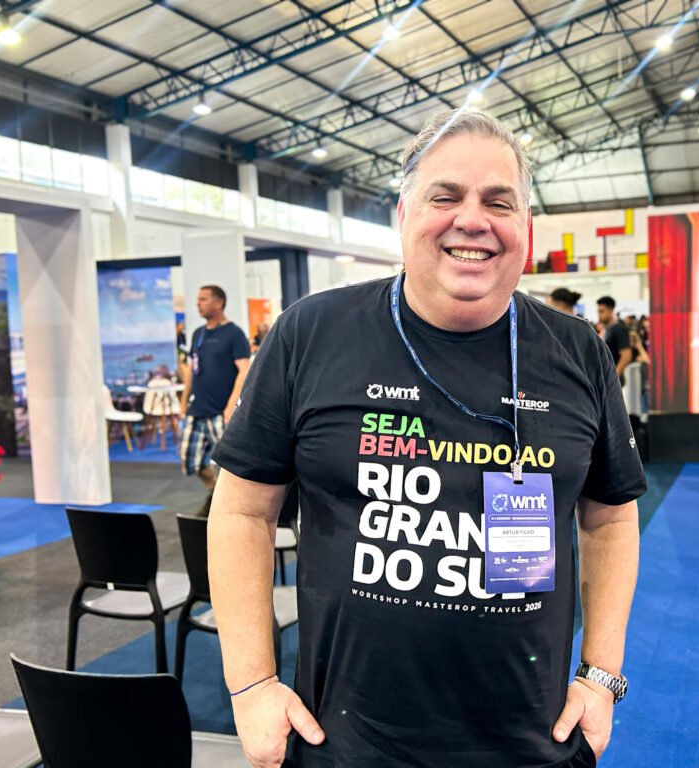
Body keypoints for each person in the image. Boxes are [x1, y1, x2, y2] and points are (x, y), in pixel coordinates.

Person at [207, 110, 645, 768]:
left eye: (499, 202)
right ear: (405, 212)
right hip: (345, 744)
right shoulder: (312, 334)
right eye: (446, 196)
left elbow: (610, 518)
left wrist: (602, 675)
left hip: (533, 744)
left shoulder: (577, 351)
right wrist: (251, 685)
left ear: (525, 225)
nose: (473, 219)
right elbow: (243, 510)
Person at [179, 285, 251, 514]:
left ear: (219, 303)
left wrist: (231, 406)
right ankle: (214, 492)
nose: (197, 303)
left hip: (221, 411)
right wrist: (183, 401)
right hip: (197, 409)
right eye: (198, 299)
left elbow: (244, 370)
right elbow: (192, 370)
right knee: (191, 461)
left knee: (230, 465)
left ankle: (232, 507)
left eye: (203, 299)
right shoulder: (198, 334)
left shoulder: (234, 333)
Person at [597, 296, 633, 384]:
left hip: (613, 381)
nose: (599, 315)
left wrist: (615, 376)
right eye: (598, 311)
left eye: (602, 311)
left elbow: (626, 355)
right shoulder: (607, 329)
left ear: (610, 310)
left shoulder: (619, 329)